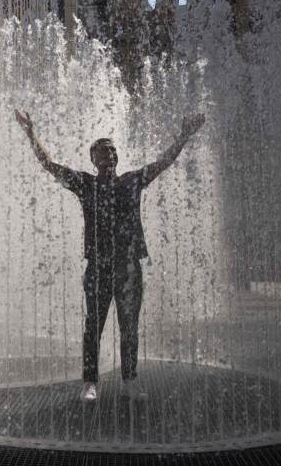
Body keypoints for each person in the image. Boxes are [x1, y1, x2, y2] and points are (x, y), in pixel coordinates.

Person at [15, 110, 205, 402]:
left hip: (128, 267)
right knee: (94, 326)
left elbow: (163, 163)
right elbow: (48, 164)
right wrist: (31, 133)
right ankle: (90, 382)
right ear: (93, 159)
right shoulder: (85, 184)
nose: (110, 154)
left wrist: (183, 136)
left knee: (129, 326)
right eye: (103, 151)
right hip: (98, 267)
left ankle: (129, 379)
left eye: (113, 149)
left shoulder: (131, 181)